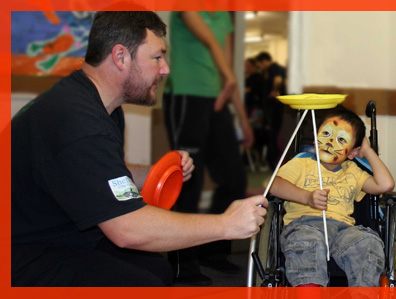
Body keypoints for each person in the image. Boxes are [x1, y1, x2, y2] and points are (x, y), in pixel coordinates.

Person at [11, 11, 268, 287]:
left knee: (156, 268)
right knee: (145, 284)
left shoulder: (98, 105)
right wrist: (226, 224)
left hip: (60, 231)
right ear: (120, 56)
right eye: (157, 57)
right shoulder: (78, 120)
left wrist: (157, 172)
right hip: (24, 254)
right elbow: (128, 229)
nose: (166, 68)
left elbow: (103, 177)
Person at [162, 12, 254, 286]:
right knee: (189, 180)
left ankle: (213, 250)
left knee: (234, 179)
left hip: (218, 100)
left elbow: (226, 65)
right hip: (186, 98)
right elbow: (212, 45)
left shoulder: (224, 15)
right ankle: (183, 264)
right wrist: (229, 80)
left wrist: (242, 118)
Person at [269, 106, 394, 287]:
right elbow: (273, 185)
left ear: (352, 152)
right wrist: (306, 197)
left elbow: (386, 185)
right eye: (326, 134)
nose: (330, 142)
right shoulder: (301, 163)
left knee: (368, 242)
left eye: (341, 139)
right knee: (307, 241)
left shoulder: (353, 172)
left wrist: (367, 151)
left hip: (344, 231)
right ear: (315, 139)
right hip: (305, 225)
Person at [255, 51, 287, 170]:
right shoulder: (270, 70)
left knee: (275, 136)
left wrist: (275, 90)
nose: (260, 68)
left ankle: (276, 163)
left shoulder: (274, 68)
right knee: (273, 135)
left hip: (276, 109)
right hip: (273, 109)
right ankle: (274, 163)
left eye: (260, 65)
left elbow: (278, 80)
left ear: (264, 61)